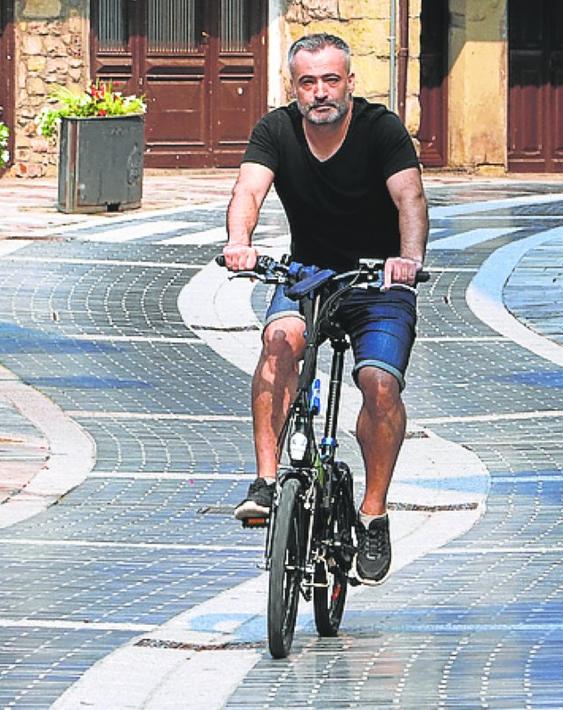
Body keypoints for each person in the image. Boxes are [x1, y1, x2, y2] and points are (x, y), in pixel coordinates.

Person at [221, 33, 428, 585]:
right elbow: (248, 190)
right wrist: (239, 242)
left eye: (331, 80)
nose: (320, 92)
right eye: (308, 82)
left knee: (379, 385)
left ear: (350, 83)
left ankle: (373, 514)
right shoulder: (276, 130)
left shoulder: (381, 129)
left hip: (378, 280)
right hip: (308, 274)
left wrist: (408, 260)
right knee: (278, 342)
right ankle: (267, 482)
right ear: (293, 87)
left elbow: (410, 197)